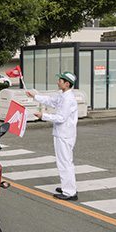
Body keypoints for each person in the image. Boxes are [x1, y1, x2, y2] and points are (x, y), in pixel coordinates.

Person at [26, 71, 79, 201]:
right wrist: (35, 96)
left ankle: (69, 192)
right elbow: (50, 101)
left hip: (64, 134)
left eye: (60, 81)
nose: (58, 82)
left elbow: (61, 118)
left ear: (67, 84)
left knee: (64, 162)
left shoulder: (68, 99)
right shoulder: (63, 96)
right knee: (65, 161)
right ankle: (68, 186)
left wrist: (43, 116)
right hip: (63, 133)